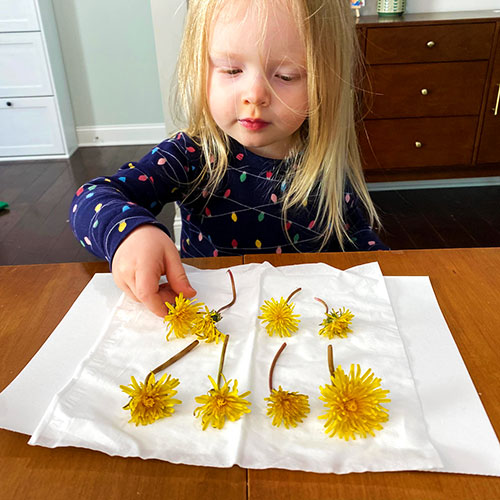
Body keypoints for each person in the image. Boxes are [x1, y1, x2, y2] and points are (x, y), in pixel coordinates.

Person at [70, 0, 388, 318]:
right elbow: (92, 197)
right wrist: (128, 233)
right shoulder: (192, 154)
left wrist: (393, 279)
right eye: (232, 70)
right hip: (214, 321)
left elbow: (357, 237)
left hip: (303, 325)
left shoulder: (325, 160)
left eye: (287, 76)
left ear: (326, 82)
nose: (255, 95)